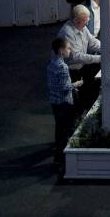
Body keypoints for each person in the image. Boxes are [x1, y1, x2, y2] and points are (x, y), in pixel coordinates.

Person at [57, 5, 101, 112]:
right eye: (84, 21)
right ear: (76, 21)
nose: (87, 23)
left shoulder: (82, 27)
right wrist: (99, 58)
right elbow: (76, 57)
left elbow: (92, 43)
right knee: (78, 102)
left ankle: (89, 110)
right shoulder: (67, 32)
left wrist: (107, 48)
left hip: (81, 67)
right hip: (71, 72)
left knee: (91, 90)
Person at [47, 37, 83, 165]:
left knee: (59, 129)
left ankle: (58, 157)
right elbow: (64, 87)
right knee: (68, 129)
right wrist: (77, 84)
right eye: (68, 48)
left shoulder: (52, 63)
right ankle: (66, 158)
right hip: (65, 102)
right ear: (61, 50)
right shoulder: (63, 67)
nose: (70, 50)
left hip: (54, 101)